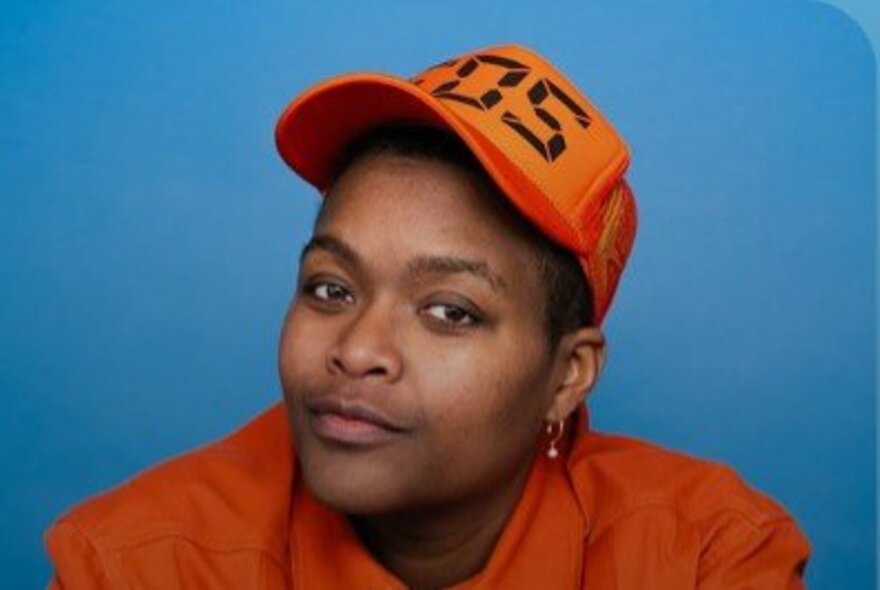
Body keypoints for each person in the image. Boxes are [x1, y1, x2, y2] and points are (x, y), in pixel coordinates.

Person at [44, 44, 810, 589]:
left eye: (450, 310)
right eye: (330, 289)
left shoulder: (709, 556)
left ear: (566, 377)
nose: (358, 350)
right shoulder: (138, 564)